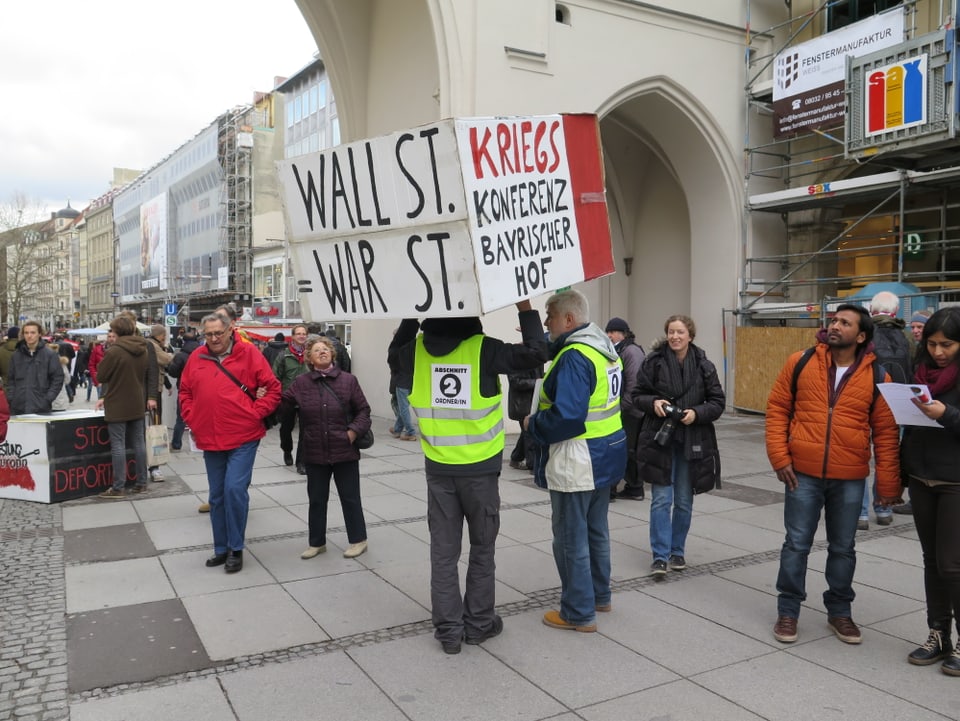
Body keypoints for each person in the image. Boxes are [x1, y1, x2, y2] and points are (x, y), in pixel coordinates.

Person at [396, 300, 548, 654]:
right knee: (482, 548)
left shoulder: (412, 353)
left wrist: (408, 310)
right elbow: (537, 352)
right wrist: (525, 307)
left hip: (438, 469)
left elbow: (393, 353)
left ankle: (449, 632)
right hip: (480, 471)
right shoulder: (484, 349)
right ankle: (479, 624)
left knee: (443, 554)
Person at [766, 304, 901, 645]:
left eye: (845, 322)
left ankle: (840, 612)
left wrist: (887, 484)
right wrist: (780, 456)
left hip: (850, 477)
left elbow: (885, 434)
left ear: (861, 335)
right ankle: (788, 611)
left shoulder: (877, 376)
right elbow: (778, 409)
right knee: (796, 544)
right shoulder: (800, 361)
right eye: (834, 320)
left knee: (843, 548)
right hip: (802, 474)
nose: (835, 325)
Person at [525, 290, 626, 633]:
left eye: (549, 316)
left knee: (570, 537)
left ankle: (577, 612)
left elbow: (567, 417)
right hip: (606, 454)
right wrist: (526, 317)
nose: (546, 323)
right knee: (596, 530)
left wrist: (532, 425)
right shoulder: (602, 347)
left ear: (568, 320)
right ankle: (600, 595)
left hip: (578, 458)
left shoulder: (574, 358)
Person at [179, 312, 281, 573]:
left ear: (229, 330)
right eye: (208, 334)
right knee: (217, 496)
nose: (213, 338)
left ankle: (236, 548)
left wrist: (255, 413)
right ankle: (221, 548)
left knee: (234, 490)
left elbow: (273, 388)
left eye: (218, 333)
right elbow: (185, 391)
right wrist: (193, 417)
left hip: (243, 436)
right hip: (210, 437)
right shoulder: (197, 357)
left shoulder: (249, 354)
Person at [633, 315, 724, 578]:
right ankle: (660, 556)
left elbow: (717, 401)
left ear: (690, 336)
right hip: (660, 439)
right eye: (671, 332)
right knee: (661, 500)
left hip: (691, 440)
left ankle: (677, 551)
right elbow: (637, 395)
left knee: (683, 501)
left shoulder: (704, 366)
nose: (675, 337)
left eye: (680, 332)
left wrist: (697, 413)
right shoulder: (654, 362)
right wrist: (654, 403)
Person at [899, 307, 960, 675]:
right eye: (933, 344)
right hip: (922, 476)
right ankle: (938, 634)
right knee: (931, 563)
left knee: (953, 565)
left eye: (948, 345)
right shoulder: (918, 372)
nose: (939, 352)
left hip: (955, 481)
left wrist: (946, 414)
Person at [280, 335, 372, 560]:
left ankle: (358, 540)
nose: (322, 352)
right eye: (316, 350)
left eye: (326, 349)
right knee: (317, 499)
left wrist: (352, 433)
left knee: (350, 497)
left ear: (332, 354)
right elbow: (283, 404)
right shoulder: (301, 383)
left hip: (344, 450)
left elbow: (363, 411)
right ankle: (316, 543)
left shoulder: (348, 380)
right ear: (309, 359)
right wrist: (263, 393)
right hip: (315, 451)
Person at [859, 290, 912, 529]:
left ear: (871, 309)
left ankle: (859, 513)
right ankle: (883, 508)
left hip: (864, 401)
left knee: (858, 455)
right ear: (896, 311)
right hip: (896, 405)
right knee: (887, 457)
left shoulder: (864, 335)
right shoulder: (908, 338)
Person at [95, 315, 156, 499]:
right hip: (137, 400)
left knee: (118, 446)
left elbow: (101, 376)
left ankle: (118, 487)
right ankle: (141, 483)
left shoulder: (115, 351)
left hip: (117, 402)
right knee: (139, 443)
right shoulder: (143, 348)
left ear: (117, 331)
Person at [895, 309, 933, 516]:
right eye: (914, 327)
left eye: (920, 327)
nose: (916, 330)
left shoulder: (929, 353)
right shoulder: (912, 348)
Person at [605, 316, 646, 500]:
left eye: (612, 332)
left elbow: (634, 385)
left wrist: (620, 408)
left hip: (631, 411)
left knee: (624, 449)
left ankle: (616, 489)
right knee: (627, 450)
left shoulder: (630, 352)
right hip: (628, 409)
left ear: (623, 333)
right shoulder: (621, 350)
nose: (609, 335)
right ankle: (633, 487)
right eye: (608, 332)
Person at [273, 324, 311, 473]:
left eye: (304, 333)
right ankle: (287, 450)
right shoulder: (284, 355)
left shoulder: (310, 354)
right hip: (288, 398)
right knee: (286, 429)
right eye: (299, 334)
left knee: (305, 431)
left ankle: (301, 462)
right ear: (293, 336)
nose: (302, 336)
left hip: (307, 399)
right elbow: (275, 377)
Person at [6, 321, 63, 415]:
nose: (29, 336)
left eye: (33, 332)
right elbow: (10, 379)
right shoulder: (16, 355)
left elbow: (57, 379)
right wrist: (12, 397)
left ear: (39, 334)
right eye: (26, 333)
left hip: (41, 407)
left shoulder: (49, 355)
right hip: (18, 406)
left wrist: (48, 399)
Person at [165, 328, 201, 451]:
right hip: (201, 389)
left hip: (185, 389)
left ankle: (176, 444)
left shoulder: (180, 356)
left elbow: (173, 373)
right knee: (201, 416)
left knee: (181, 418)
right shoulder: (203, 353)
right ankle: (203, 442)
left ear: (184, 341)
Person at [146, 325, 174, 481]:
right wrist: (171, 354)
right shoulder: (153, 346)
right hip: (153, 391)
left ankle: (154, 466)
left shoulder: (152, 344)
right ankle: (154, 466)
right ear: (162, 335)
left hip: (153, 390)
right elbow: (166, 359)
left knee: (153, 425)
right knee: (155, 426)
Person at [506, 367, 541, 471]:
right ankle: (533, 465)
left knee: (526, 431)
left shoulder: (535, 358)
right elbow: (515, 382)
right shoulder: (515, 360)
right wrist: (537, 383)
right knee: (529, 433)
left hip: (532, 401)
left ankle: (516, 458)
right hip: (522, 404)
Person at [387, 326, 418, 441]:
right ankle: (397, 430)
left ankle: (410, 432)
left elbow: (392, 364)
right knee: (403, 406)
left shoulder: (398, 349)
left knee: (403, 408)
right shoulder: (414, 346)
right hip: (412, 380)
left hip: (402, 381)